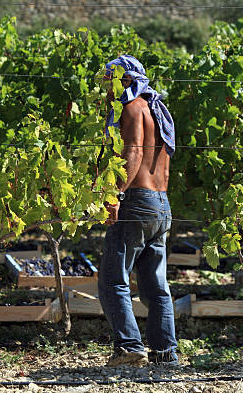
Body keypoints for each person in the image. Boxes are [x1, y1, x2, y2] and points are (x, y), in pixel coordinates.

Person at [98, 55, 178, 367]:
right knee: (156, 285)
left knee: (112, 280)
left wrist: (116, 193)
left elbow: (132, 152)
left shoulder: (133, 108)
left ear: (127, 79)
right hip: (161, 204)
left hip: (136, 200)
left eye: (111, 79)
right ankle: (165, 353)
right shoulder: (158, 111)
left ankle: (129, 348)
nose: (107, 86)